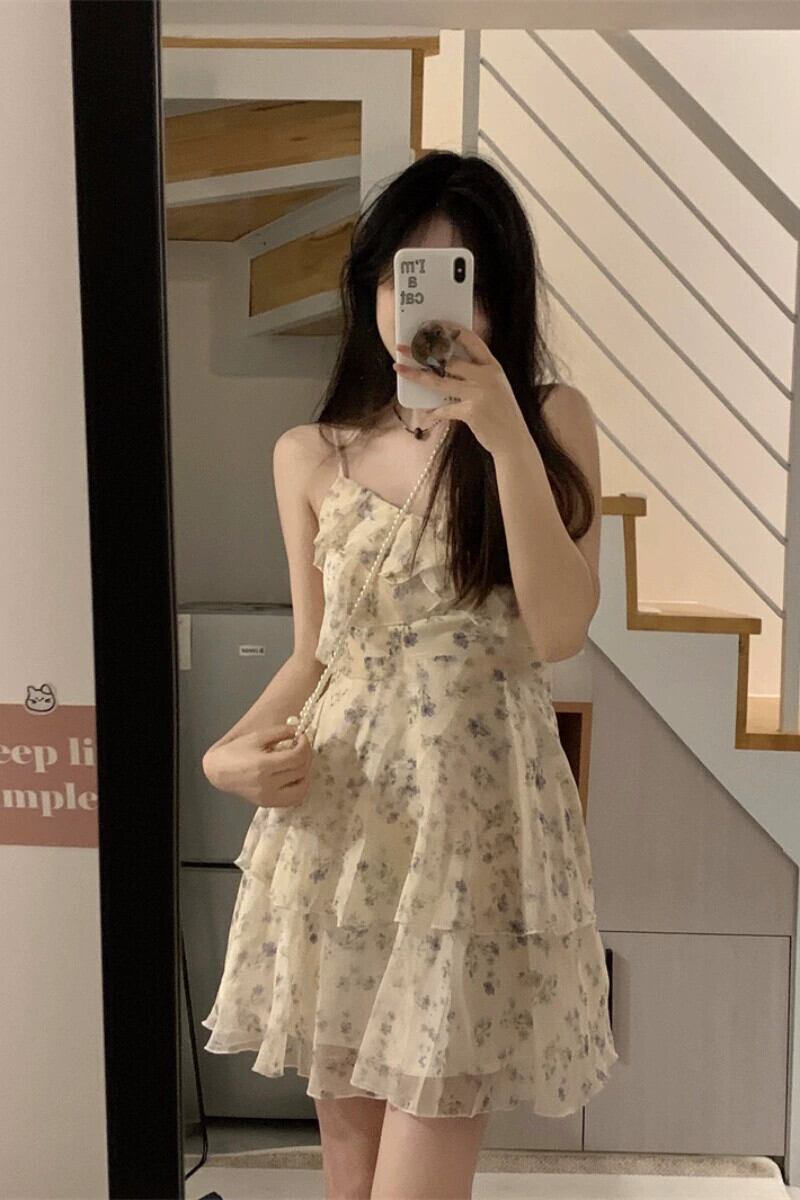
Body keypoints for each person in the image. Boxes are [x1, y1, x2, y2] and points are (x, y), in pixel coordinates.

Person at [200, 150, 618, 1200]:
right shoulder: (312, 452)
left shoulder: (548, 421)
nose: (424, 309)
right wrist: (225, 754)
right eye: (403, 278)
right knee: (349, 1178)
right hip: (342, 831)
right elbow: (317, 652)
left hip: (469, 838)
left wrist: (504, 438)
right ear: (372, 289)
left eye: (456, 279)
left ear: (497, 298)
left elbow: (558, 630)